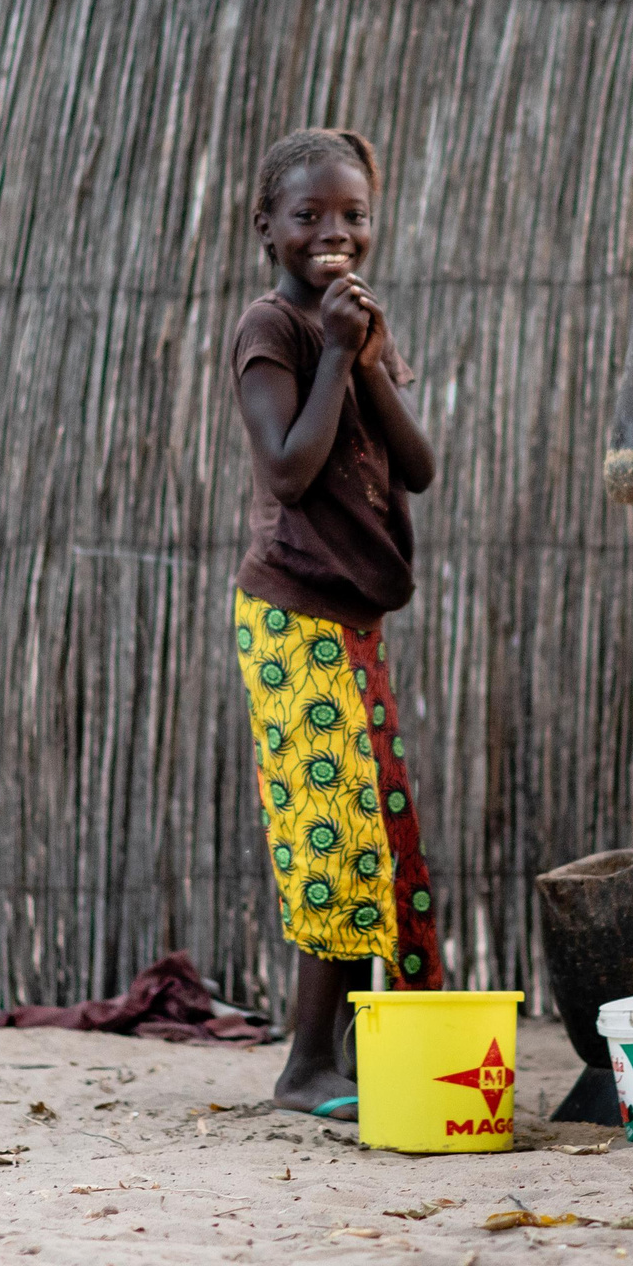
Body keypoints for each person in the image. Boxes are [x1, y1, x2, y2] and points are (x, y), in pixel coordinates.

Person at [228, 127, 442, 1120]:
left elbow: (417, 463)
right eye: (308, 214)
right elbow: (287, 468)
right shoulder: (272, 328)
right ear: (266, 223)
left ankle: (358, 1045)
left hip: (351, 619)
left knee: (374, 822)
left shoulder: (359, 325)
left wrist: (364, 357)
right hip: (291, 616)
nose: (333, 232)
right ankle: (306, 1063)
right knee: (333, 831)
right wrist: (337, 356)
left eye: (351, 214)